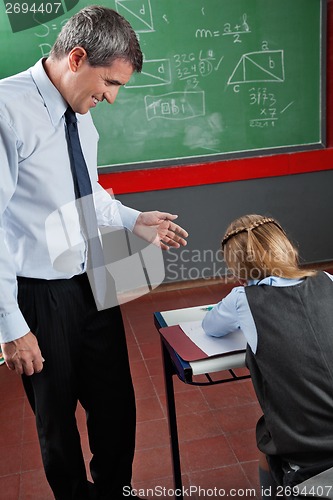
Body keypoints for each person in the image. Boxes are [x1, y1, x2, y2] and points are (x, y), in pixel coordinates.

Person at [0, 6, 188, 499]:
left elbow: (87, 192)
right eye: (110, 83)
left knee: (116, 408)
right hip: (38, 296)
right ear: (77, 58)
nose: (112, 96)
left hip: (91, 282)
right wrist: (10, 326)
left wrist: (132, 219)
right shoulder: (6, 109)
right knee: (56, 421)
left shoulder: (80, 115)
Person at [202, 214, 333, 499]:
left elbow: (210, 328)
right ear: (287, 249)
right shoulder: (328, 280)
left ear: (237, 270)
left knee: (268, 440)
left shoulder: (242, 299)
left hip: (307, 443)